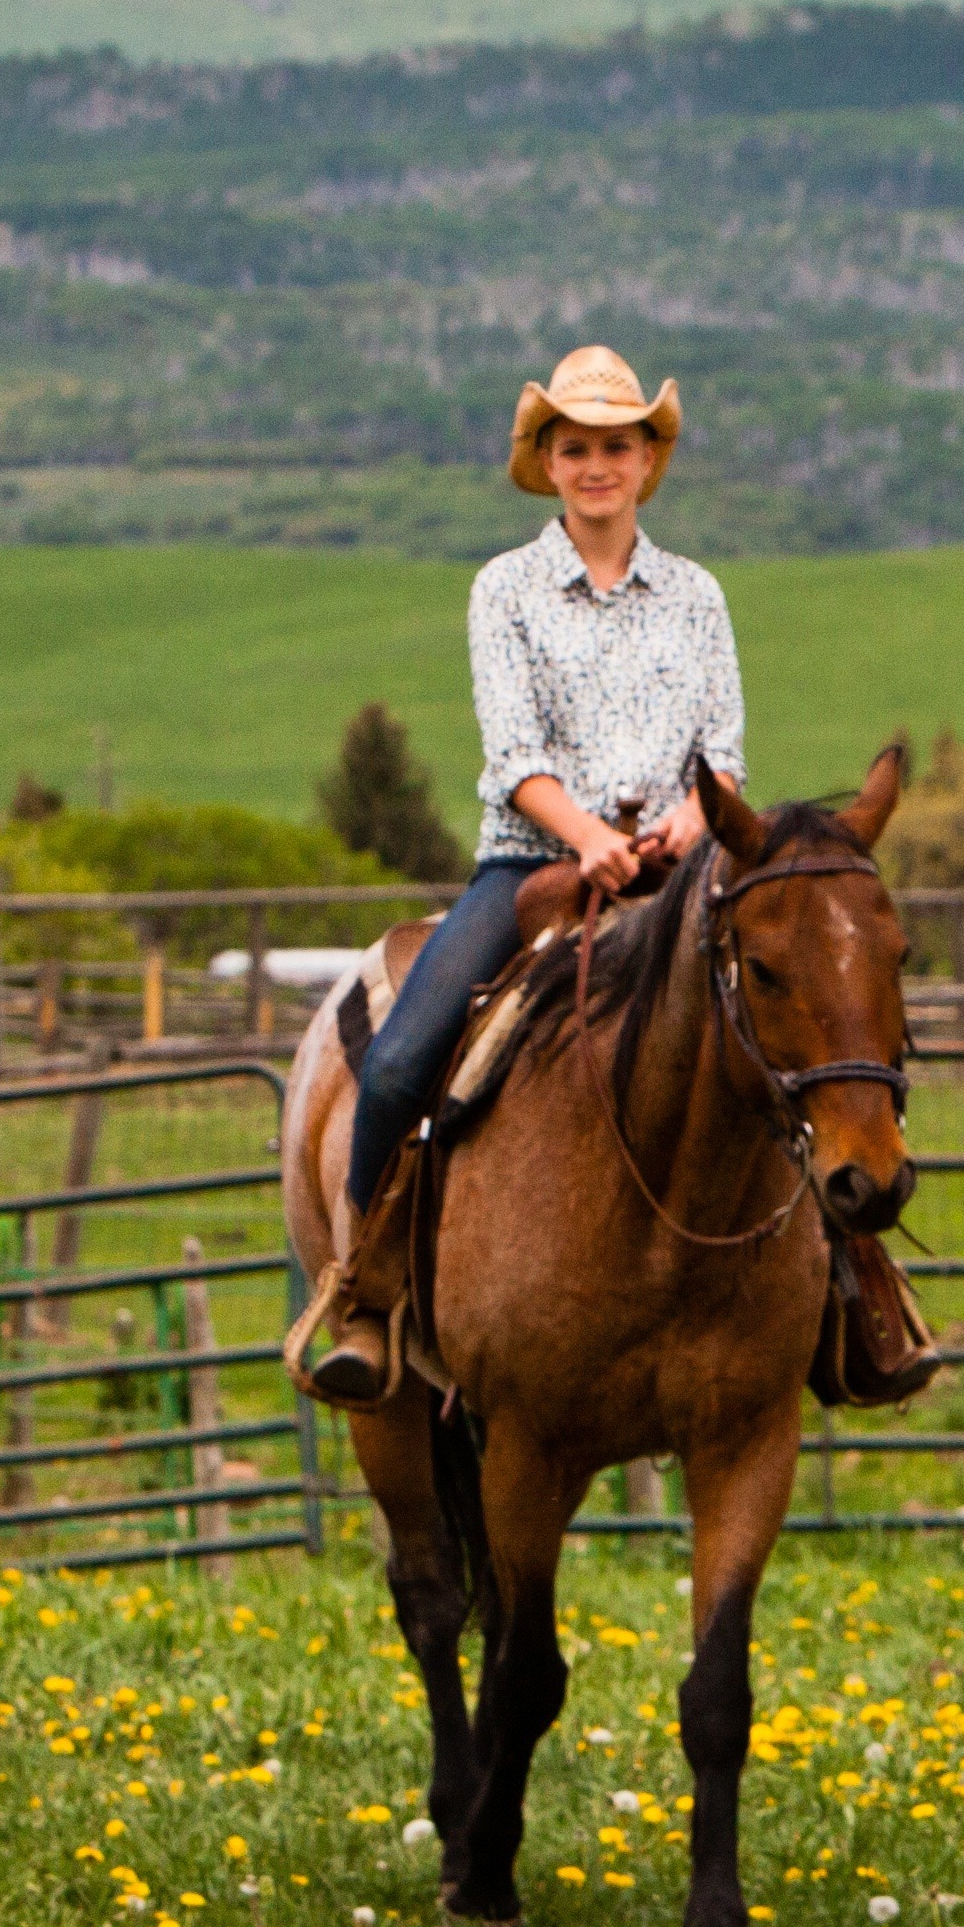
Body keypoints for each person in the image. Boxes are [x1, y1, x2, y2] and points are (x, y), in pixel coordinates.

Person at [290, 343, 740, 1407]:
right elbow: (516, 756)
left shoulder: (697, 596)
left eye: (616, 446)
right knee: (400, 1060)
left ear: (647, 460)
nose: (596, 465)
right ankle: (368, 1294)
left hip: (679, 872)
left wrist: (684, 826)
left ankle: (853, 1296)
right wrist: (588, 838)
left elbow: (721, 754)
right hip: (534, 863)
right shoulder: (507, 590)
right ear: (547, 462)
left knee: (796, 1033)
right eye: (574, 446)